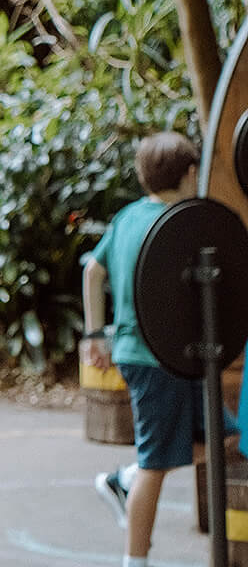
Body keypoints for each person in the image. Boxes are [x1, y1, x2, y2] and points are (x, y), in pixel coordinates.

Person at [83, 130, 201, 567]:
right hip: (155, 360)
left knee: (223, 434)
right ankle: (136, 560)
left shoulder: (127, 218)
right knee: (155, 463)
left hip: (161, 357)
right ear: (190, 174)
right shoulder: (183, 222)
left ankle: (124, 478)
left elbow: (93, 272)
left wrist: (96, 335)